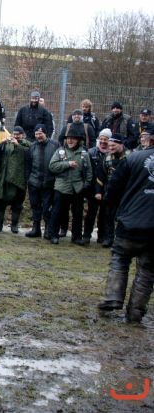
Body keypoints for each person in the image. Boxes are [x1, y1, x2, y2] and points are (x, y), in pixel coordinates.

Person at [97, 123, 154, 323]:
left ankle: (112, 297)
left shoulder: (132, 158)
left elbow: (113, 188)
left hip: (130, 222)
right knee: (147, 270)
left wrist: (113, 207)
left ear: (148, 139)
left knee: (120, 259)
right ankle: (136, 311)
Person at [47, 124, 92, 245]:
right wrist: (67, 164)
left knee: (77, 213)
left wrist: (86, 184)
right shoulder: (60, 151)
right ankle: (53, 235)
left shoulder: (84, 154)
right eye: (68, 138)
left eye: (73, 138)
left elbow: (89, 171)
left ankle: (76, 237)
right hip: (61, 186)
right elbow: (52, 166)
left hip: (78, 188)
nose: (70, 141)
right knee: (57, 212)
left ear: (78, 140)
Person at [94, 134, 130, 248]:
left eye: (113, 145)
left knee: (123, 218)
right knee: (108, 216)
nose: (110, 148)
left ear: (121, 145)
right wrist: (98, 191)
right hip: (110, 192)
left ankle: (121, 240)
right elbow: (100, 176)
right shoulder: (106, 158)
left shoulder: (131, 157)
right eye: (109, 145)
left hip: (126, 193)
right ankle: (108, 238)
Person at [0, 126, 30, 233]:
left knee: (17, 204)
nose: (16, 136)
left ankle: (14, 225)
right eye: (14, 134)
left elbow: (29, 154)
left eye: (18, 134)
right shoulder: (6, 143)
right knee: (0, 202)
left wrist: (17, 145)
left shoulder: (27, 144)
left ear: (23, 135)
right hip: (3, 178)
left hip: (18, 180)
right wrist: (1, 143)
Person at [25, 124, 59, 238]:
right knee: (35, 206)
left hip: (49, 183)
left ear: (45, 134)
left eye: (40, 133)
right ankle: (36, 229)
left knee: (47, 207)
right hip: (34, 182)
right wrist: (29, 179)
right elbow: (28, 164)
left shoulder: (55, 145)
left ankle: (48, 229)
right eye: (36, 134)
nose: (38, 136)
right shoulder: (32, 147)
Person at [82, 128, 111, 244]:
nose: (103, 142)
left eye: (106, 139)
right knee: (91, 213)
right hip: (93, 189)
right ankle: (86, 235)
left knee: (104, 214)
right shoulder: (91, 152)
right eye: (101, 139)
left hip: (107, 189)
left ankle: (101, 236)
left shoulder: (112, 153)